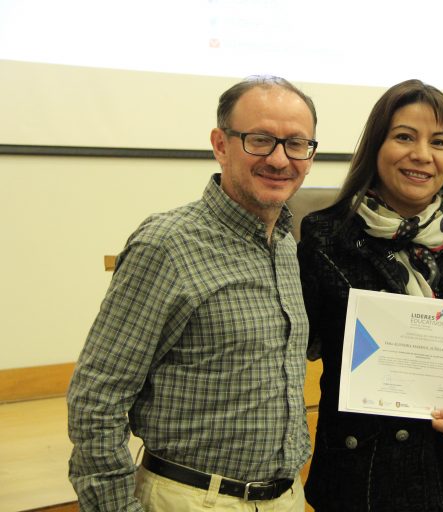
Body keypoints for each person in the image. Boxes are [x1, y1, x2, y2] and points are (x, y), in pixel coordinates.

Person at [67, 75, 318, 511]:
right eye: (260, 140)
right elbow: (96, 400)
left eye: (296, 144)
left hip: (286, 497)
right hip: (192, 499)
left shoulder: (288, 246)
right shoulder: (166, 245)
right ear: (220, 145)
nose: (280, 159)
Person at [296, 79, 443, 512]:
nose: (422, 154)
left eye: (438, 142)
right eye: (405, 137)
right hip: (355, 484)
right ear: (376, 146)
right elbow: (294, 344)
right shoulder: (326, 237)